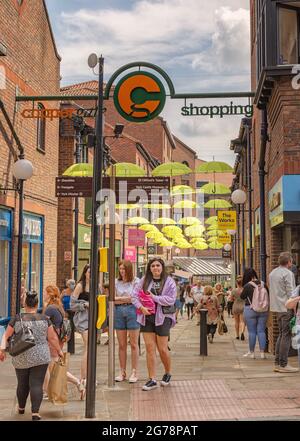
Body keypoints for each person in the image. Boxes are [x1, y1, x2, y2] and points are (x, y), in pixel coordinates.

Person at [0, 291, 63, 420]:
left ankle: (21, 408)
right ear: (37, 304)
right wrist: (59, 351)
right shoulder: (45, 319)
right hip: (41, 357)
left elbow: (5, 336)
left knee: (22, 383)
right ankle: (35, 413)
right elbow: (52, 338)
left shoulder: (17, 318)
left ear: (24, 303)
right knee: (36, 384)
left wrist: (2, 349)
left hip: (21, 356)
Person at [132, 257, 176, 391]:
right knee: (150, 348)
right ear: (149, 268)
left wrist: (154, 298)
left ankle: (167, 373)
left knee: (162, 349)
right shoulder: (144, 280)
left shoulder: (169, 281)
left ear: (162, 267)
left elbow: (171, 299)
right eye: (152, 266)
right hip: (147, 317)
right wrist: (141, 308)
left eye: (158, 265)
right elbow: (134, 296)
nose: (155, 268)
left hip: (163, 317)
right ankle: (152, 379)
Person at [42, 285, 82, 399]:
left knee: (55, 367)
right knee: (50, 367)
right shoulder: (58, 306)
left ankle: (78, 383)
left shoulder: (50, 309)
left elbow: (43, 325)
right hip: (58, 340)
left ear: (49, 294)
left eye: (45, 292)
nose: (43, 295)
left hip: (53, 341)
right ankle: (46, 391)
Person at [269, 252, 298, 373]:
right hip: (286, 308)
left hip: (276, 308)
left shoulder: (272, 273)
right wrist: (295, 309)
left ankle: (277, 363)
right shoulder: (288, 273)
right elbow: (292, 293)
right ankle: (283, 364)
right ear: (289, 262)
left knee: (281, 335)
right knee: (285, 336)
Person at [114, 260, 140, 383]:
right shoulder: (116, 282)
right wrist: (124, 299)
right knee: (122, 344)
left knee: (134, 344)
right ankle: (122, 371)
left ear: (129, 269)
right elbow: (112, 299)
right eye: (120, 269)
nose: (122, 271)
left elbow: (134, 299)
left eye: (124, 269)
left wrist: (119, 298)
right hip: (118, 311)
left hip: (132, 311)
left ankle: (134, 371)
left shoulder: (136, 281)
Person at [71, 264, 90, 394]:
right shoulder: (80, 286)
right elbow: (72, 305)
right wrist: (84, 305)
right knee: (88, 347)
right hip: (83, 320)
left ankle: (89, 376)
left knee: (91, 349)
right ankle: (83, 378)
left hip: (94, 320)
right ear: (85, 273)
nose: (91, 274)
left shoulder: (96, 285)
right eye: (89, 272)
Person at [240, 268, 269, 359]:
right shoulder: (263, 284)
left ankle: (252, 353)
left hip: (250, 309)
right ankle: (262, 353)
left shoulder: (247, 286)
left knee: (252, 332)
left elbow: (242, 297)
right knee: (261, 331)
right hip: (263, 310)